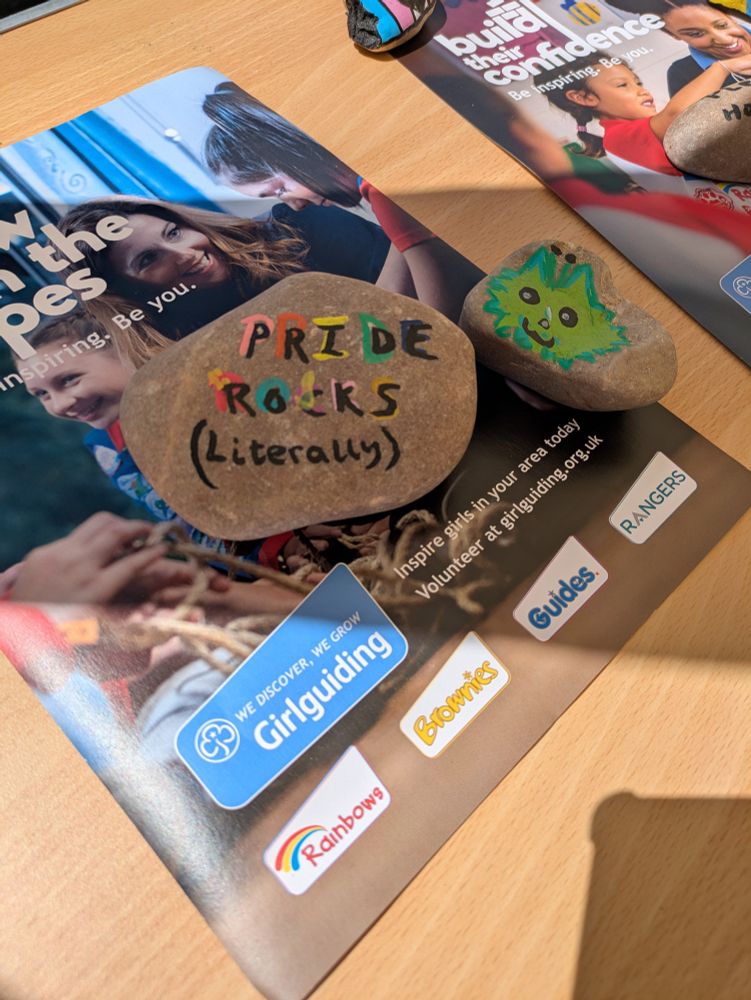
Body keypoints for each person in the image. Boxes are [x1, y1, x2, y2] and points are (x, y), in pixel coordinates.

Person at [18, 314, 335, 571]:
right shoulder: (105, 447)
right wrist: (269, 554)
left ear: (123, 348)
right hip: (262, 567)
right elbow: (185, 522)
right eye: (41, 394)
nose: (60, 404)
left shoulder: (212, 393)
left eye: (69, 379)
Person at [202, 82, 483, 321]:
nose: (295, 206)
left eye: (280, 189)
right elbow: (395, 282)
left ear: (289, 151)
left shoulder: (385, 197)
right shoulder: (381, 184)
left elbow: (443, 321)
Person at [56, 194, 391, 363]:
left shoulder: (297, 227)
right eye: (148, 259)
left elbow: (404, 307)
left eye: (174, 232)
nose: (185, 252)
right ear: (127, 293)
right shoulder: (179, 353)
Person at [538, 51, 751, 205]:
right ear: (583, 97)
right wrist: (722, 68)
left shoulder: (633, 131)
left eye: (638, 82)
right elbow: (678, 116)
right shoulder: (617, 137)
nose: (642, 91)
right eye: (623, 85)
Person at [612, 0, 751, 95]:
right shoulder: (682, 73)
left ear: (730, 16)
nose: (724, 39)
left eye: (722, 25)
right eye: (696, 34)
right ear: (674, 35)